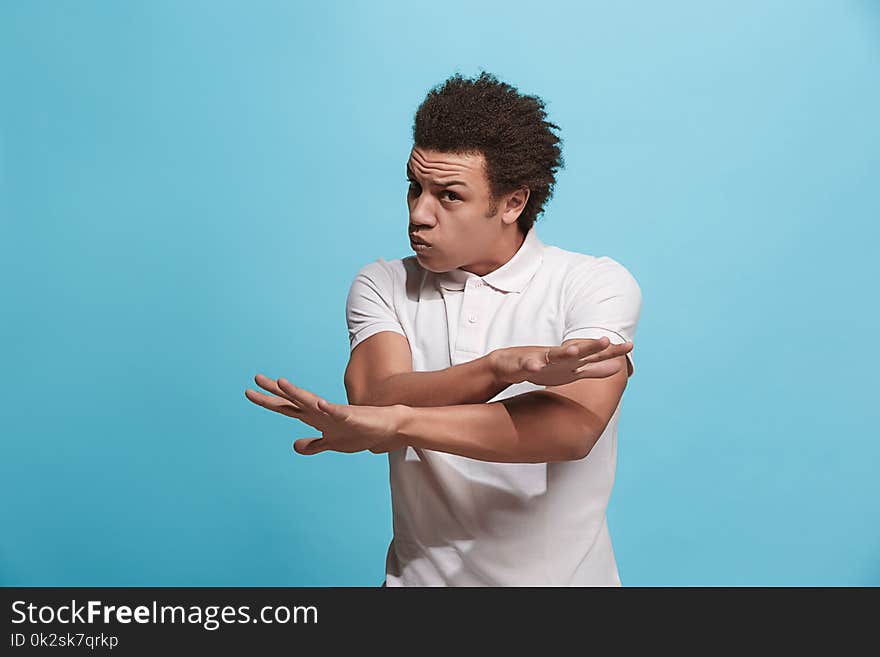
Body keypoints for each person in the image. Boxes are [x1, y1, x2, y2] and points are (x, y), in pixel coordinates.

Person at [245, 71, 642, 586]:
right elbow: (374, 395)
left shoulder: (594, 284)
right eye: (415, 188)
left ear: (513, 203)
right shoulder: (383, 282)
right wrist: (496, 368)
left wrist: (399, 423)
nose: (419, 214)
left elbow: (573, 428)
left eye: (449, 196)